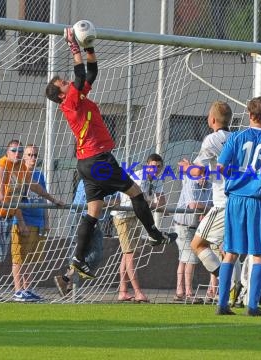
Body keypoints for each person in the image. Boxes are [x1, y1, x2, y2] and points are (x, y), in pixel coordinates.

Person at [44, 26, 175, 279]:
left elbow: (91, 72)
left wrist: (89, 45)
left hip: (86, 162)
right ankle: (154, 235)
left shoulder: (77, 98)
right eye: (64, 83)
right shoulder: (69, 101)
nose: (68, 83)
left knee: (93, 212)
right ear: (61, 94)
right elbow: (81, 75)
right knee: (136, 192)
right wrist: (73, 45)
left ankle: (76, 263)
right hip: (98, 160)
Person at [215, 96, 261, 316]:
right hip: (260, 202)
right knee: (259, 254)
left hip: (236, 200)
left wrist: (236, 180)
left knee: (230, 252)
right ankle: (252, 305)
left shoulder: (237, 137)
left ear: (249, 115)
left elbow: (220, 166)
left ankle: (222, 304)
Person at [0, 140, 60, 301]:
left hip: (6, 216)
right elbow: (0, 187)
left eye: (20, 151)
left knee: (0, 255)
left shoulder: (21, 169)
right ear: (7, 152)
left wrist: (52, 199)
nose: (18, 153)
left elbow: (34, 186)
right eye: (14, 150)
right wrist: (4, 199)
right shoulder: (2, 164)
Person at [179, 101, 232, 299]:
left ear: (212, 120)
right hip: (240, 202)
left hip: (222, 204)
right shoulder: (237, 138)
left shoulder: (211, 140)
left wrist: (186, 167)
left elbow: (197, 171)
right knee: (229, 251)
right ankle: (237, 290)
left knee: (198, 244)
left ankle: (230, 285)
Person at [11, 144, 64, 302]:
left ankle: (28, 288)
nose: (33, 158)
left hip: (38, 221)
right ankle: (18, 290)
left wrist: (46, 221)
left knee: (32, 259)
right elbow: (14, 200)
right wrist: (21, 223)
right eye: (30, 155)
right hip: (23, 221)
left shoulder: (40, 175)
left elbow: (43, 198)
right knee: (19, 257)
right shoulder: (18, 173)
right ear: (24, 156)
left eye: (35, 155)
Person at [111, 153, 166, 302]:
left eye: (158, 167)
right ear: (147, 165)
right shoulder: (139, 177)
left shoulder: (157, 180)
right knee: (129, 255)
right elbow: (142, 202)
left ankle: (123, 292)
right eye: (152, 166)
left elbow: (161, 203)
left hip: (136, 217)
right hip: (123, 217)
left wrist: (151, 204)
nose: (155, 169)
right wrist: (151, 204)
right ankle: (138, 292)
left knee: (127, 255)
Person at [54, 179, 111, 298]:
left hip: (96, 219)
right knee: (77, 253)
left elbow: (115, 200)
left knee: (95, 255)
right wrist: (107, 203)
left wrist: (106, 203)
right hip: (81, 216)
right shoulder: (88, 177)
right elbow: (91, 201)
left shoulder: (111, 178)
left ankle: (65, 279)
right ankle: (71, 289)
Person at [172, 177, 212, 302]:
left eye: (206, 174)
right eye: (201, 174)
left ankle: (180, 291)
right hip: (183, 226)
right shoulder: (191, 183)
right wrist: (206, 208)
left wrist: (204, 209)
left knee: (183, 259)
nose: (204, 177)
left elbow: (211, 204)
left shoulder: (209, 186)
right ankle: (189, 293)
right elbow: (193, 205)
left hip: (195, 226)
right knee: (191, 258)